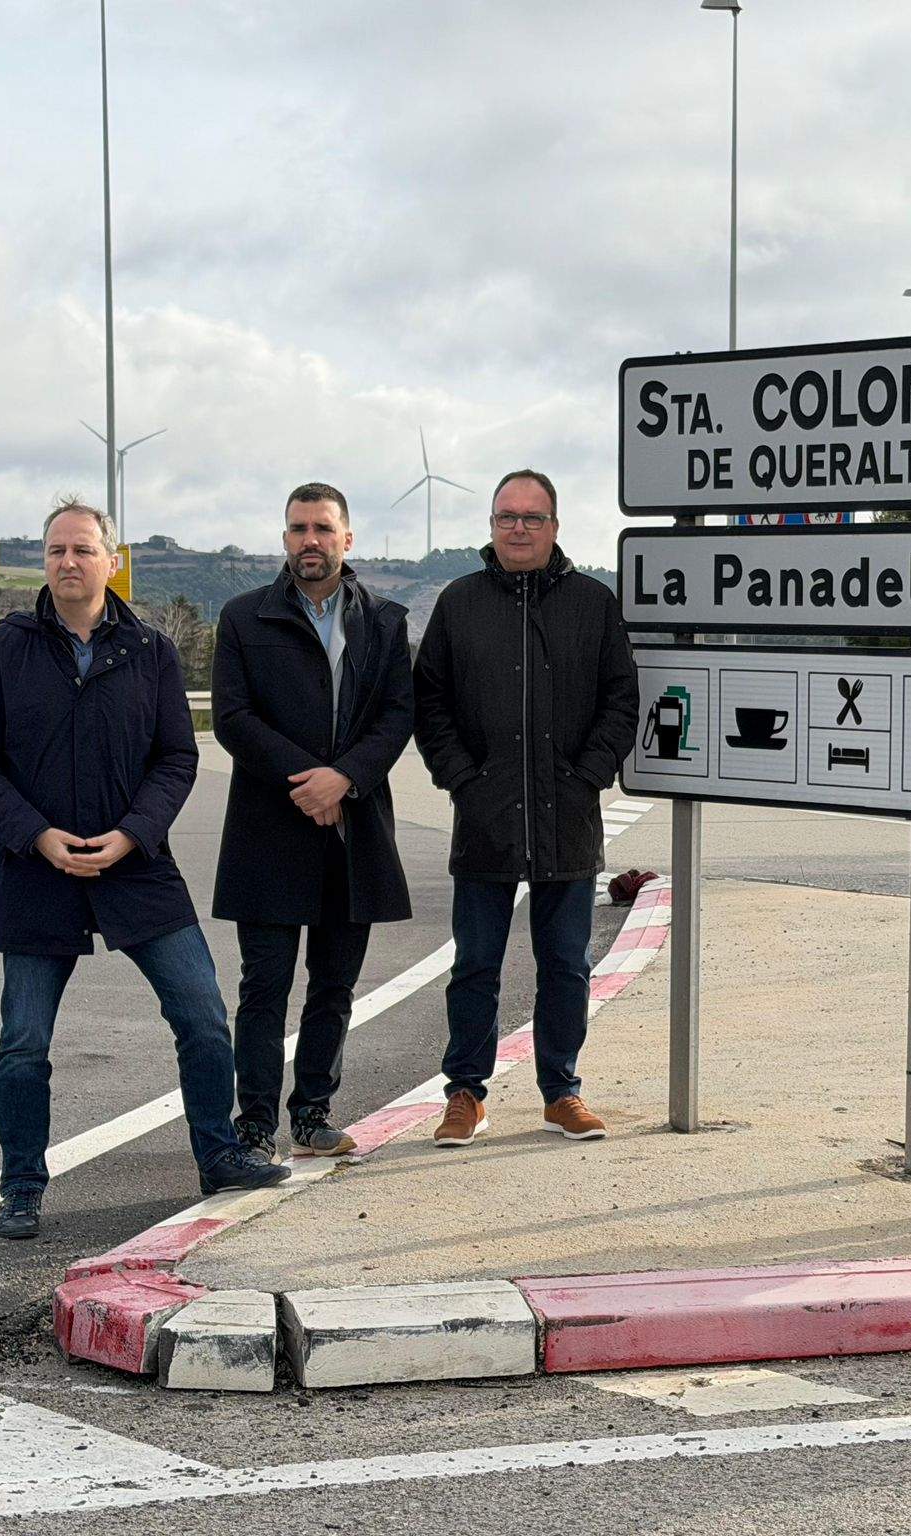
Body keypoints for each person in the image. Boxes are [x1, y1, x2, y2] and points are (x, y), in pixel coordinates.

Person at [0, 499, 288, 1241]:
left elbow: (177, 757)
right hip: (35, 869)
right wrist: (34, 835)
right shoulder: (2, 649)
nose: (67, 563)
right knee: (24, 1042)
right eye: (54, 552)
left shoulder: (151, 652)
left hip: (137, 866)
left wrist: (134, 835)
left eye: (81, 549)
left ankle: (218, 1154)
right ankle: (21, 1189)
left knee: (201, 1015)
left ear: (112, 558)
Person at [412, 468, 639, 1145]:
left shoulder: (593, 604)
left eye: (531, 517)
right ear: (490, 526)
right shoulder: (459, 602)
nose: (518, 527)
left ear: (555, 527)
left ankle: (561, 1092)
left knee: (566, 964)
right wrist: (464, 780)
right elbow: (431, 704)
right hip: (484, 817)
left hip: (567, 818)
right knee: (476, 963)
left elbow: (621, 699)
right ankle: (465, 1095)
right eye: (506, 516)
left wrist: (587, 777)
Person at [211, 483, 415, 1163]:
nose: (310, 541)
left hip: (351, 831)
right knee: (264, 986)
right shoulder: (244, 619)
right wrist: (309, 780)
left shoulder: (385, 620)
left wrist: (346, 778)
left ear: (346, 539)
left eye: (323, 528)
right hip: (271, 828)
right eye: (298, 528)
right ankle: (253, 1125)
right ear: (285, 539)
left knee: (334, 984)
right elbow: (234, 718)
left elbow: (396, 716)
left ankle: (313, 1114)